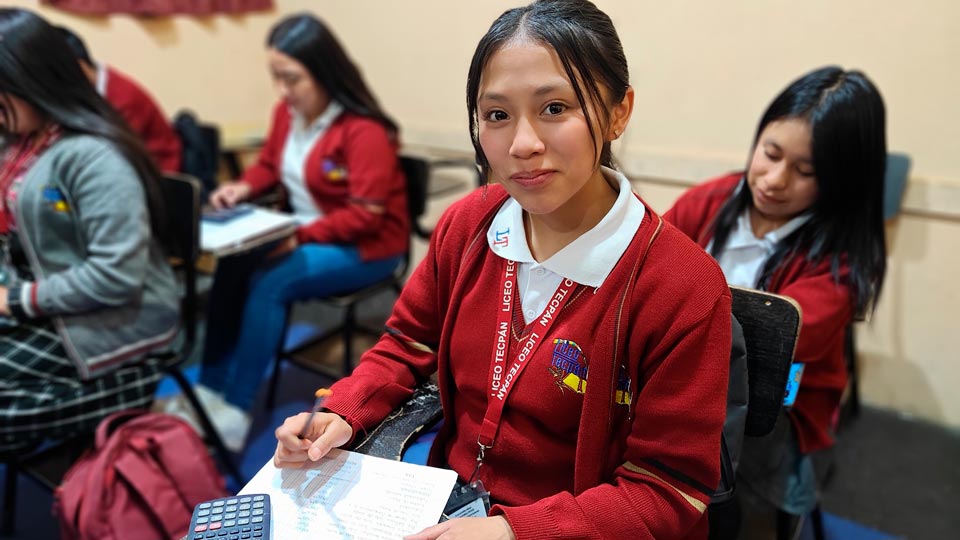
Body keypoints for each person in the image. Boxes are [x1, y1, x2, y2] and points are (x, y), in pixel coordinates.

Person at [273, 2, 732, 538]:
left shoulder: (683, 287)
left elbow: (668, 489)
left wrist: (514, 532)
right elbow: (407, 343)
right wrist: (343, 411)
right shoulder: (469, 225)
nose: (521, 145)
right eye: (496, 115)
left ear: (617, 113)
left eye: (555, 108)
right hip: (444, 498)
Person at [664, 66, 887, 536]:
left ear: (841, 183)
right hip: (694, 387)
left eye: (805, 171)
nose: (774, 179)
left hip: (779, 414)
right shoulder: (718, 198)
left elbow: (775, 338)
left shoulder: (842, 263)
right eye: (770, 153)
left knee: (745, 506)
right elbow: (652, 254)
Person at [188, 13, 409, 451]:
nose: (284, 91)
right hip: (305, 233)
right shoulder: (287, 115)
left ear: (324, 73)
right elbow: (270, 165)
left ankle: (235, 406)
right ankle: (209, 388)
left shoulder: (363, 130)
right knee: (232, 265)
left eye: (293, 79)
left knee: (272, 280)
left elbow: (365, 214)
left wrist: (298, 238)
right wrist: (244, 186)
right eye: (277, 78)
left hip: (365, 245)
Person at [0, 8, 180, 455]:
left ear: (30, 82)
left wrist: (16, 299)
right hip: (65, 303)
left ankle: (136, 397)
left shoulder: (93, 156)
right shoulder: (25, 138)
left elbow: (114, 276)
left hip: (122, 318)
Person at [57, 25, 182, 173]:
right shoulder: (93, 87)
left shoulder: (123, 98)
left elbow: (112, 158)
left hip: (159, 174)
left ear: (80, 66)